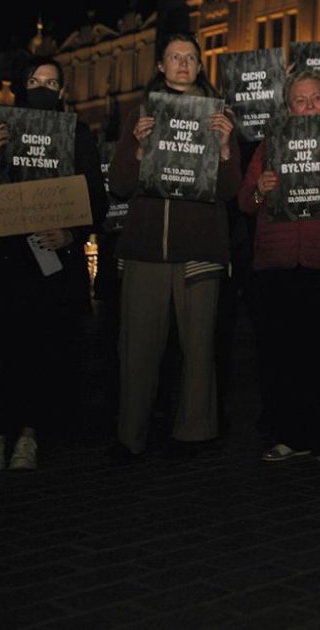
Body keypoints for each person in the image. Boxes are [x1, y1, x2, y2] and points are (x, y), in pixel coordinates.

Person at [106, 33, 241, 461]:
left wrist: (223, 147)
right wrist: (139, 147)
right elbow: (120, 185)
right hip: (146, 247)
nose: (183, 64)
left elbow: (231, 189)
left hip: (200, 247)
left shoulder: (220, 115)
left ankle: (196, 433)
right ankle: (131, 436)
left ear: (201, 67)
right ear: (161, 66)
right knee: (138, 347)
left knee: (200, 347)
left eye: (191, 58)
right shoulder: (140, 114)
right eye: (174, 57)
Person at [0, 59, 106, 470]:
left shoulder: (78, 135)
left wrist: (72, 233)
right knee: (7, 350)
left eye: (51, 83)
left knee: (44, 349)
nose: (43, 88)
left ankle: (29, 434)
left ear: (63, 93)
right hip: (9, 260)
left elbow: (95, 197)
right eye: (34, 81)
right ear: (22, 87)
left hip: (53, 258)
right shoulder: (0, 133)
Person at [237, 69, 320, 467]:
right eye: (300, 100)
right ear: (288, 107)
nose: (308, 105)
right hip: (277, 263)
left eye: (315, 99)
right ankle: (287, 435)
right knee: (281, 355)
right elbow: (244, 201)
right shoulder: (271, 141)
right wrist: (260, 189)